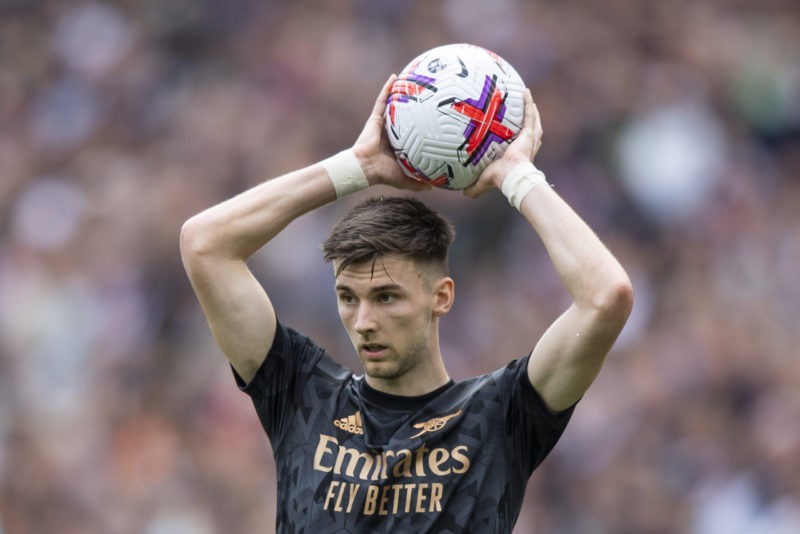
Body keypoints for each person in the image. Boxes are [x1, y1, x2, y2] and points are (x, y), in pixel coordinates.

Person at [180, 74, 634, 532]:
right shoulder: (302, 395)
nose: (363, 321)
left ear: (441, 297)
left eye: (386, 297)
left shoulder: (499, 416)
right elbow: (204, 244)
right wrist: (356, 168)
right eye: (347, 298)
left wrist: (515, 176)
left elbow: (606, 296)